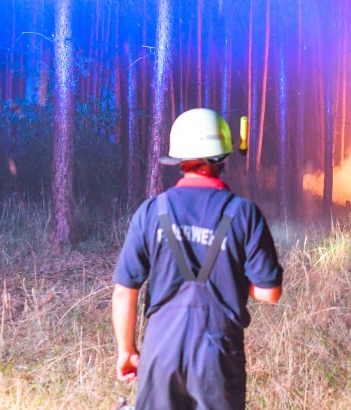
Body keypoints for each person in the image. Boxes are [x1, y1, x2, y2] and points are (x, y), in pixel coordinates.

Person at [111, 108, 283, 409]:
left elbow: (125, 291)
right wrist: (233, 277)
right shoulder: (243, 214)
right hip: (218, 353)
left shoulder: (153, 211)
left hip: (159, 351)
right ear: (222, 157)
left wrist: (126, 351)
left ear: (179, 160)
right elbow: (269, 294)